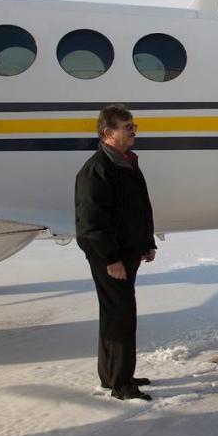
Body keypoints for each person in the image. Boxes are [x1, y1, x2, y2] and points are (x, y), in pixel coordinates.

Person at [75, 104, 157, 402]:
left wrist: (146, 242)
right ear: (108, 133)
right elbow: (91, 223)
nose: (133, 130)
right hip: (111, 257)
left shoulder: (125, 162)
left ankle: (114, 375)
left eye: (133, 125)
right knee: (121, 315)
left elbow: (137, 208)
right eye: (127, 126)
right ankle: (121, 385)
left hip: (126, 252)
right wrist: (111, 259)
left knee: (115, 314)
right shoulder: (98, 169)